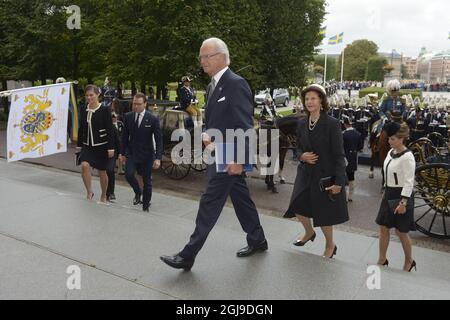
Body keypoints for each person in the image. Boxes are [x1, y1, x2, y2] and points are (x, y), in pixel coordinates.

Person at [160, 37, 267, 271]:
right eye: (201, 57)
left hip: (229, 155)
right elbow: (218, 118)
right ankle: (258, 239)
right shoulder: (212, 85)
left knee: (209, 201)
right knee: (241, 199)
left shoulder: (235, 83)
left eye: (206, 56)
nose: (202, 61)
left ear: (220, 57)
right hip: (218, 152)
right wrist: (208, 133)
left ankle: (188, 255)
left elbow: (244, 125)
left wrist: (239, 160)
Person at [284, 84, 349, 258]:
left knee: (324, 215)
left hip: (324, 176)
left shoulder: (332, 124)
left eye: (313, 98)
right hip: (305, 173)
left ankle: (330, 245)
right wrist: (301, 156)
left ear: (321, 101)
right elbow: (297, 148)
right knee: (296, 205)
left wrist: (339, 183)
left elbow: (339, 155)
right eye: (306, 99)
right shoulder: (302, 123)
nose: (309, 102)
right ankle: (309, 232)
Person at [375, 122, 417, 272]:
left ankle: (409, 261)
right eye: (389, 138)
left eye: (392, 139)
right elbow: (387, 174)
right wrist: (385, 192)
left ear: (401, 139)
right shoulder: (391, 152)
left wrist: (403, 202)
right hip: (389, 194)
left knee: (401, 232)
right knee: (383, 228)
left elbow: (409, 181)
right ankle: (382, 258)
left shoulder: (408, 157)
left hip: (401, 197)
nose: (389, 141)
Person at [119, 93, 163, 212]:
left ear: (145, 104)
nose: (136, 106)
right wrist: (121, 153)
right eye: (134, 103)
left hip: (147, 155)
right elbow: (124, 136)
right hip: (132, 153)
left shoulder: (152, 119)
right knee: (128, 175)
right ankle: (138, 192)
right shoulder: (128, 117)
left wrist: (158, 158)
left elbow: (159, 140)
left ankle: (145, 206)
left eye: (138, 104)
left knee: (147, 181)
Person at [76, 85, 115, 203]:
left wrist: (111, 148)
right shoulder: (83, 109)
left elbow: (110, 129)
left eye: (91, 95)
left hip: (102, 146)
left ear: (98, 95)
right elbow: (81, 128)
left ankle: (104, 195)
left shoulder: (104, 110)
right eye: (87, 95)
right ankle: (89, 191)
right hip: (87, 145)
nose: (89, 97)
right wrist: (79, 145)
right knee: (84, 166)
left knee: (102, 171)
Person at [342, 116, 362, 202]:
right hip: (353, 157)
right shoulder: (358, 134)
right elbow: (360, 147)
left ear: (345, 124)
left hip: (344, 157)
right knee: (351, 177)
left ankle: (344, 196)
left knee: (342, 176)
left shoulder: (343, 134)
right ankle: (350, 196)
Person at [106, 112, 122, 202]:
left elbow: (118, 141)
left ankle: (111, 192)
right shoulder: (101, 127)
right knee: (104, 172)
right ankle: (105, 192)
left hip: (113, 152)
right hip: (102, 153)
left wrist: (119, 154)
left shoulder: (114, 128)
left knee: (110, 170)